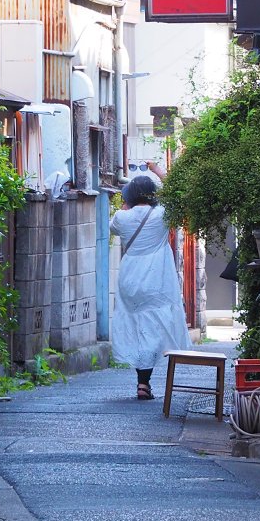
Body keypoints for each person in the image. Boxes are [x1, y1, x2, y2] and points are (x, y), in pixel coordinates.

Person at [109, 161, 191, 400]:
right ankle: (144, 382)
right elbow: (177, 193)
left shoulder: (121, 218)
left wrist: (126, 205)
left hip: (131, 278)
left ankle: (141, 382)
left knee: (137, 327)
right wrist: (157, 171)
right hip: (157, 278)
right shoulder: (162, 214)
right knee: (153, 328)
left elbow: (115, 228)